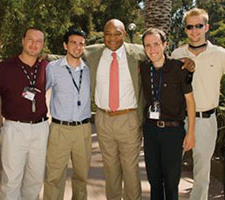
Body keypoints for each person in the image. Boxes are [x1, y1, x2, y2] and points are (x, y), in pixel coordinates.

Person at [83, 19, 146, 200]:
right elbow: (71, 53)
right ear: (103, 35)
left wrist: (186, 61)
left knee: (130, 169)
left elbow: (161, 57)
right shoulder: (94, 53)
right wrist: (45, 57)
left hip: (129, 119)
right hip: (103, 119)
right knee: (110, 169)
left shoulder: (138, 53)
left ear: (124, 34)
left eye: (117, 33)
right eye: (108, 34)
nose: (112, 38)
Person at [172, 8, 225, 200]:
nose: (194, 30)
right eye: (190, 26)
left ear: (207, 27)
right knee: (170, 168)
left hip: (206, 120)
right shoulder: (176, 54)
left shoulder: (220, 54)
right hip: (178, 119)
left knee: (202, 173)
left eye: (199, 26)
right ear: (185, 30)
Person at [140, 28, 195, 200]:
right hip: (150, 131)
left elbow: (190, 102)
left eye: (156, 44)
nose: (152, 49)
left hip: (173, 132)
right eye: (147, 45)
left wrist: (191, 133)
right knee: (154, 181)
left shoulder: (179, 68)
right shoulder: (143, 68)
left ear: (165, 45)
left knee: (171, 183)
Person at [0, 27, 49, 200]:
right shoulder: (4, 68)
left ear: (42, 45)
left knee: (35, 180)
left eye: (39, 41)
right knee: (11, 180)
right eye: (30, 39)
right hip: (15, 129)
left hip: (41, 128)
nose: (34, 44)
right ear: (22, 40)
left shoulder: (46, 66)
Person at [43, 28, 91, 200]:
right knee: (54, 177)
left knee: (81, 177)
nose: (77, 47)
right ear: (65, 45)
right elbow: (41, 91)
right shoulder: (53, 68)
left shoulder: (89, 70)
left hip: (83, 130)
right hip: (59, 129)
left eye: (81, 44)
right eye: (73, 43)